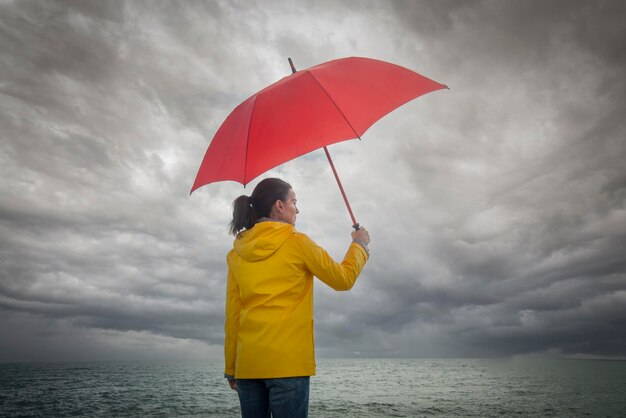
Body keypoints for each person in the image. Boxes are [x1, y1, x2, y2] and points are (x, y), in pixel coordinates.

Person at [224, 177, 370, 418]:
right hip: (288, 364)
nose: (297, 208)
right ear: (280, 205)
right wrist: (360, 246)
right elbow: (342, 280)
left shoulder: (235, 254)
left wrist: (232, 367)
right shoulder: (297, 242)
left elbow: (233, 315)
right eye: (294, 201)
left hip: (247, 366)